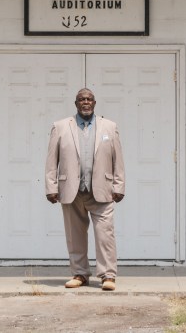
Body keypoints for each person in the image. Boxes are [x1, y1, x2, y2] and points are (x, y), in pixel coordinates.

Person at [45, 88, 125, 291]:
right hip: (71, 190)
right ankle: (80, 274)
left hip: (102, 190)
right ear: (76, 103)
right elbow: (51, 160)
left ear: (95, 103)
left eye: (89, 99)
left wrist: (119, 185)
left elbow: (118, 160)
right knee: (75, 235)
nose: (86, 102)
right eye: (82, 99)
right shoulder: (61, 126)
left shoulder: (109, 126)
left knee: (105, 234)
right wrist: (51, 187)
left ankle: (108, 276)